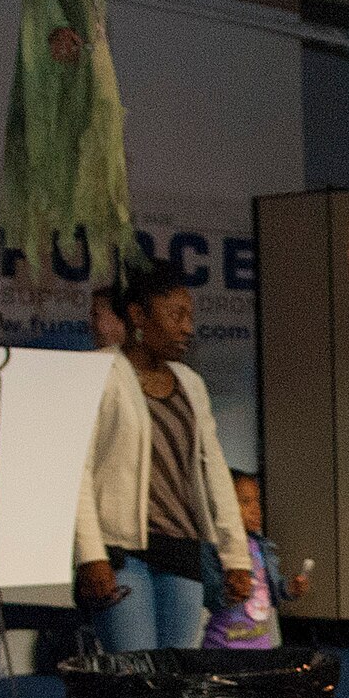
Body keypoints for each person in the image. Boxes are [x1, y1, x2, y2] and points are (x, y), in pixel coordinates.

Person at [73, 263, 252, 649]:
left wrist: (236, 555)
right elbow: (78, 472)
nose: (187, 327)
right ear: (138, 315)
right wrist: (91, 554)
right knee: (137, 678)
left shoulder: (190, 382)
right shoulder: (99, 372)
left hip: (182, 553)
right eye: (175, 315)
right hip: (122, 554)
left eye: (189, 316)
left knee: (177, 682)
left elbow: (214, 472)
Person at [201, 470, 310, 649]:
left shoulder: (261, 547)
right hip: (223, 646)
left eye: (257, 501)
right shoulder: (215, 547)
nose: (256, 509)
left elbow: (269, 589)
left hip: (261, 645)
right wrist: (231, 591)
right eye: (245, 502)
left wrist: (290, 589)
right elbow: (211, 596)